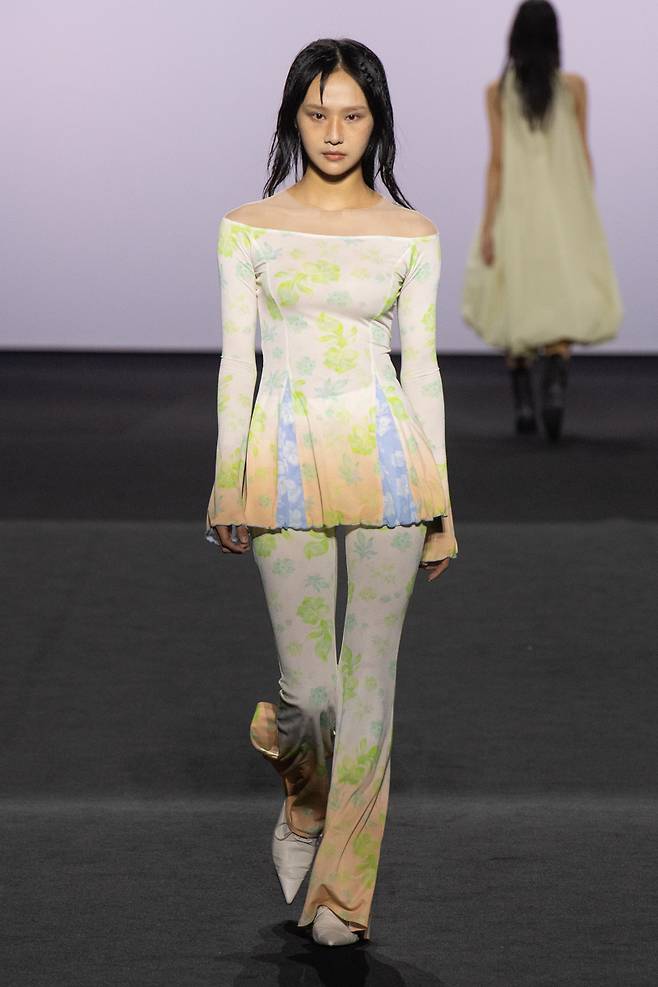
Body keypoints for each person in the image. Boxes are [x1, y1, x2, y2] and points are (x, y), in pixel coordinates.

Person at [205, 37, 458, 947]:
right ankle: (303, 794)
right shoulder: (249, 227)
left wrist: (441, 503)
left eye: (353, 113)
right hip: (281, 455)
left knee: (371, 691)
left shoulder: (411, 233)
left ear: (376, 119)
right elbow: (241, 361)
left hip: (389, 460)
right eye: (319, 113)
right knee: (311, 694)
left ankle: (342, 896)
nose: (336, 131)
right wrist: (227, 480)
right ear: (292, 118)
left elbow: (421, 369)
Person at [461, 0, 623, 441]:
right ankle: (554, 384)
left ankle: (524, 404)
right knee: (562, 289)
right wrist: (583, 209)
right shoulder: (575, 88)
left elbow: (496, 164)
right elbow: (584, 157)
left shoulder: (497, 92)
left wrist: (489, 222)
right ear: (555, 39)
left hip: (516, 206)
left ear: (513, 39)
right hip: (564, 206)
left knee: (514, 294)